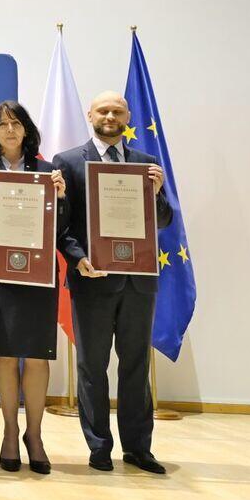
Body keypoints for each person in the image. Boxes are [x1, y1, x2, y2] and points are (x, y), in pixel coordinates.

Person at [53, 91, 172, 475]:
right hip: (92, 280)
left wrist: (156, 193)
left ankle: (138, 449)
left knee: (136, 367)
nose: (110, 116)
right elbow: (62, 224)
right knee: (92, 367)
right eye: (103, 110)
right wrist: (78, 259)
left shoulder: (147, 164)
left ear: (127, 116)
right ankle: (99, 447)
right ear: (90, 115)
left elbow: (164, 220)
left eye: (117, 111)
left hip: (139, 283)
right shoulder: (69, 162)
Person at [0, 100, 83, 474]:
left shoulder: (49, 172)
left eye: (16, 123)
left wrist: (61, 199)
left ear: (27, 130)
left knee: (35, 356)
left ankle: (35, 435)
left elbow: (62, 229)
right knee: (4, 355)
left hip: (38, 277)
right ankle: (10, 432)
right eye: (2, 125)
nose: (10, 130)